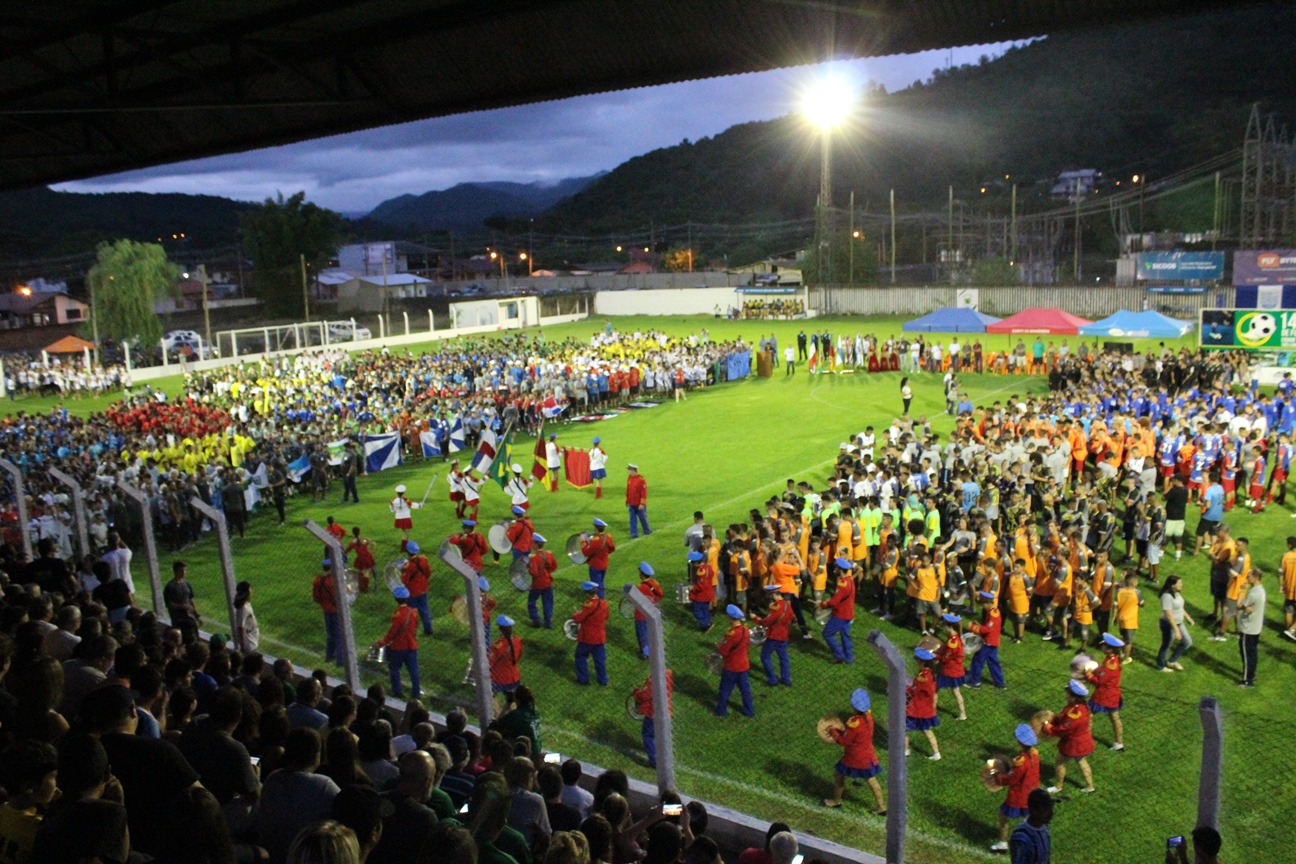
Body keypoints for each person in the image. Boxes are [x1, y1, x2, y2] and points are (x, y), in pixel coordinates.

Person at [823, 688, 885, 813]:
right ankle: (882, 806)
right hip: (867, 755)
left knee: (839, 774)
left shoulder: (854, 722)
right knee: (871, 779)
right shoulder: (868, 717)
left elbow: (844, 741)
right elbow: (853, 735)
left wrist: (833, 731)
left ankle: (836, 800)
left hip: (854, 757)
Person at [0, 739, 59, 864]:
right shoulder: (38, 830)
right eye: (54, 776)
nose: (56, 783)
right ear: (29, 787)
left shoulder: (2, 811)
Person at [990, 724, 1041, 853]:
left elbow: (1012, 779)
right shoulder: (1035, 755)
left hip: (1019, 796)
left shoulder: (1020, 761)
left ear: (1019, 741)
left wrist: (997, 776)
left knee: (1003, 815)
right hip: (1032, 794)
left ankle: (1003, 843)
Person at [1041, 680, 1095, 794]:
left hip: (1072, 744)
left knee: (1059, 762)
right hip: (1083, 740)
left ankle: (1058, 786)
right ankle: (1090, 787)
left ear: (1073, 697)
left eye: (1067, 692)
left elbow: (1063, 730)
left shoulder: (1074, 713)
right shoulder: (1081, 706)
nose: (1065, 694)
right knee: (1082, 762)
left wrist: (1048, 728)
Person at [374, 585, 420, 699]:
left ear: (396, 599)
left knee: (394, 668)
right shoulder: (413, 612)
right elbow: (415, 627)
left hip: (399, 647)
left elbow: (392, 633)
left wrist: (381, 642)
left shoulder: (397, 615)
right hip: (411, 645)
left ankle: (397, 691)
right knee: (414, 670)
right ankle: (416, 692)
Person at [1086, 633, 1126, 751]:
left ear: (1109, 649)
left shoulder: (1110, 664)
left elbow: (1100, 681)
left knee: (1088, 714)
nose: (1102, 646)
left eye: (1104, 645)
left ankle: (1086, 740)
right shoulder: (1112, 659)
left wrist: (1088, 675)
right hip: (1114, 695)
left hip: (1103, 695)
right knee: (1114, 717)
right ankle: (1119, 743)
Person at [714, 604, 754, 718]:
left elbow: (724, 651)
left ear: (731, 618)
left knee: (725, 690)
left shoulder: (731, 634)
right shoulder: (745, 630)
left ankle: (721, 711)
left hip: (731, 666)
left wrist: (719, 646)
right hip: (744, 665)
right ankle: (749, 710)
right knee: (745, 690)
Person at [630, 669, 673, 769]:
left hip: (653, 713)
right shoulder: (668, 673)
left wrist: (636, 693)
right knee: (661, 735)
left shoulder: (654, 679)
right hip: (667, 711)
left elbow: (645, 695)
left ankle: (654, 761)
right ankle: (665, 756)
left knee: (647, 735)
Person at [906, 647, 941, 760]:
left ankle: (905, 750)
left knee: (903, 729)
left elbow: (916, 690)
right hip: (925, 709)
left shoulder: (923, 676)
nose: (916, 662)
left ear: (922, 662)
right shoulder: (928, 673)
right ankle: (936, 753)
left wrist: (906, 688)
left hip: (917, 709)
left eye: (917, 660)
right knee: (926, 730)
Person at [754, 585, 793, 686]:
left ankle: (772, 679)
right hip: (784, 635)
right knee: (783, 658)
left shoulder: (776, 607)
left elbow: (766, 621)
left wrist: (756, 618)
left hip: (774, 636)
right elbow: (791, 617)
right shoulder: (786, 604)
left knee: (765, 656)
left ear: (772, 594)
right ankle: (786, 679)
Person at [819, 558, 856, 664]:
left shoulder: (842, 583)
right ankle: (849, 658)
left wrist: (823, 604)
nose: (834, 569)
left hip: (840, 615)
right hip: (848, 614)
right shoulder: (850, 580)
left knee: (827, 634)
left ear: (840, 569)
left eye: (836, 567)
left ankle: (839, 654)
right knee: (845, 637)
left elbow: (833, 602)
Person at [573, 581, 610, 686]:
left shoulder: (588, 605)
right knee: (600, 660)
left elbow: (578, 619)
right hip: (600, 637)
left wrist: (576, 614)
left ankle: (583, 679)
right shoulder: (604, 603)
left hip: (587, 637)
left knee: (580, 656)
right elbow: (606, 616)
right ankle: (603, 680)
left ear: (587, 593)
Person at [1156, 575, 1194, 672]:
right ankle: (1160, 665)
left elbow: (1180, 607)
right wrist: (1176, 630)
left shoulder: (1176, 593)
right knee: (1166, 644)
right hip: (1168, 624)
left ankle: (1172, 661)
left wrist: (1188, 617)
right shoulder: (1167, 596)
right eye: (1179, 583)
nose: (1182, 585)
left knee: (1187, 642)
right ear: (1172, 585)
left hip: (1179, 622)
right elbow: (1168, 614)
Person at [967, 591, 1005, 689]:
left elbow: (988, 629)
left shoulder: (993, 614)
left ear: (988, 603)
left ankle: (974, 681)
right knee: (993, 662)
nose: (982, 606)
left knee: (977, 660)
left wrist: (973, 628)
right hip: (992, 642)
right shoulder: (993, 611)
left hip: (988, 642)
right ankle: (1000, 683)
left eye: (983, 604)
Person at [935, 613, 968, 721]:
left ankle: (931, 711)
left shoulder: (952, 642)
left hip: (949, 671)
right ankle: (963, 714)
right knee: (956, 691)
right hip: (956, 670)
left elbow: (945, 658)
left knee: (934, 688)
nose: (943, 629)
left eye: (944, 626)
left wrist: (933, 655)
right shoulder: (954, 638)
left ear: (949, 627)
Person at [1237, 567, 1266, 687]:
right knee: (1253, 654)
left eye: (1249, 576)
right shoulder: (1261, 590)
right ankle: (1251, 676)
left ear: (1255, 578)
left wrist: (1242, 590)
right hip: (1256, 628)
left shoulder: (1253, 593)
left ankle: (1247, 681)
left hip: (1248, 629)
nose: (1247, 578)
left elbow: (1239, 605)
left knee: (1247, 655)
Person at [1008, 788, 1053, 864]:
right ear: (1034, 810)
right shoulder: (1021, 837)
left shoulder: (1044, 828)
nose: (1051, 813)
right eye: (1046, 809)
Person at [313, 559, 342, 665]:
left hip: (325, 609)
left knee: (330, 634)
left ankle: (329, 655)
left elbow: (316, 598)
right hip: (336, 609)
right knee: (339, 634)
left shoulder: (317, 580)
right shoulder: (333, 581)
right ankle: (341, 659)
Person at [631, 563, 663, 658]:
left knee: (642, 635)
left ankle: (645, 653)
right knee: (651, 633)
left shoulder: (640, 587)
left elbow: (634, 599)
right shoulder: (655, 583)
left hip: (641, 615)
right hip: (652, 612)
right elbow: (661, 595)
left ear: (642, 574)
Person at [527, 533, 558, 629]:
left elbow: (533, 572)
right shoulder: (549, 554)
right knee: (548, 603)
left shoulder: (533, 557)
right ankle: (548, 623)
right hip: (547, 582)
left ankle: (536, 621)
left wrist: (528, 568)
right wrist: (547, 573)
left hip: (537, 584)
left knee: (531, 602)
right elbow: (554, 566)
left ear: (536, 544)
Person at [489, 616, 523, 701]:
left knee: (490, 698)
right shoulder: (517, 640)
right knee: (512, 700)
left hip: (498, 678)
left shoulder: (498, 645)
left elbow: (491, 661)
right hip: (514, 677)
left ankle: (493, 712)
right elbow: (519, 656)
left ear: (501, 629)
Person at [581, 519, 616, 598]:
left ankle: (600, 600)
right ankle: (600, 598)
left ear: (596, 528)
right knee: (600, 581)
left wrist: (582, 541)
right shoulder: (608, 537)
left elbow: (585, 552)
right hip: (604, 564)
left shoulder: (596, 540)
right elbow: (612, 548)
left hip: (595, 565)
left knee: (596, 584)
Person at [165, 559, 198, 631]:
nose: (184, 573)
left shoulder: (187, 584)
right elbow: (170, 605)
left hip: (189, 617)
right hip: (178, 619)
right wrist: (183, 607)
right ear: (175, 571)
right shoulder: (170, 586)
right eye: (181, 571)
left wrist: (196, 615)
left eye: (185, 570)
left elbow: (191, 600)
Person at [687, 550, 715, 631]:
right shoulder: (708, 567)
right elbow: (712, 574)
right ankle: (708, 622)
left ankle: (705, 625)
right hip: (708, 593)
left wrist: (693, 588)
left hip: (701, 595)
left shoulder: (701, 571)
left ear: (696, 563)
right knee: (705, 609)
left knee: (697, 610)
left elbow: (701, 585)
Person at [233, 580, 260, 653]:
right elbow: (240, 627)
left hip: (252, 640)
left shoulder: (246, 604)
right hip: (249, 643)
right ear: (247, 591)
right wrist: (242, 646)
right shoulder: (243, 608)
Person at [347, 527, 376, 593]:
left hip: (360, 558)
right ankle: (364, 588)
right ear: (359, 532)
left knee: (362, 571)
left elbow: (347, 550)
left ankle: (361, 585)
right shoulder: (364, 540)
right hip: (367, 557)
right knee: (367, 572)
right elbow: (373, 544)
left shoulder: (352, 542)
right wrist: (371, 550)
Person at [626, 464, 651, 538]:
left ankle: (647, 530)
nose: (628, 472)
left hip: (639, 504)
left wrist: (642, 503)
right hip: (631, 503)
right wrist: (627, 500)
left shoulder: (641, 480)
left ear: (633, 470)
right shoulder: (629, 478)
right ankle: (634, 534)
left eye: (629, 470)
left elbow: (644, 492)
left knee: (643, 518)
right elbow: (628, 490)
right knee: (632, 519)